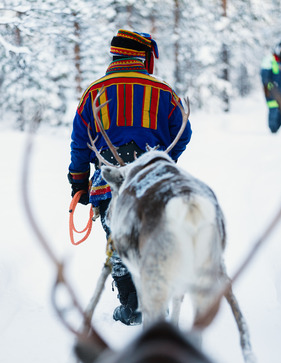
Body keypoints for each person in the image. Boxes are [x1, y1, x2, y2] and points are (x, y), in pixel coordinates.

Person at [68, 29, 192, 326]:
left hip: (109, 186)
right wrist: (165, 160)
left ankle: (132, 306)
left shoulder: (94, 91)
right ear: (143, 56)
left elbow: (79, 141)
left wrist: (78, 181)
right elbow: (183, 134)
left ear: (116, 55)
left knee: (118, 238)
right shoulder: (163, 91)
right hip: (155, 183)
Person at [260, 41, 281, 133]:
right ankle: (273, 131)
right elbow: (264, 76)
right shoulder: (270, 60)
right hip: (272, 91)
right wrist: (268, 87)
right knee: (274, 110)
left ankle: (277, 128)